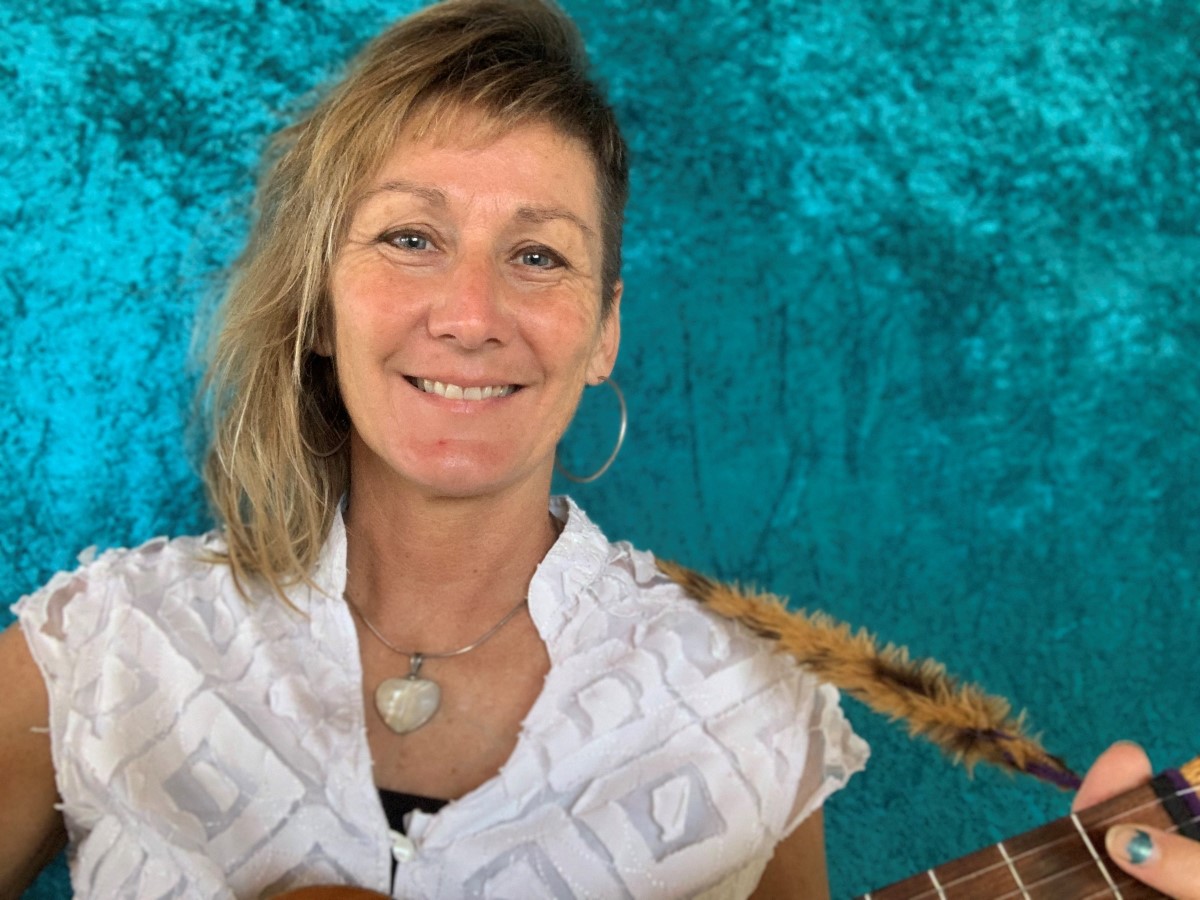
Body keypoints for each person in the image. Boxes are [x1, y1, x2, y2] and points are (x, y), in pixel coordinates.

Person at [0, 2, 1195, 898]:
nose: (470, 313)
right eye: (410, 236)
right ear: (316, 305)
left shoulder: (745, 711)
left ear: (606, 328)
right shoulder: (96, 658)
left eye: (537, 255)